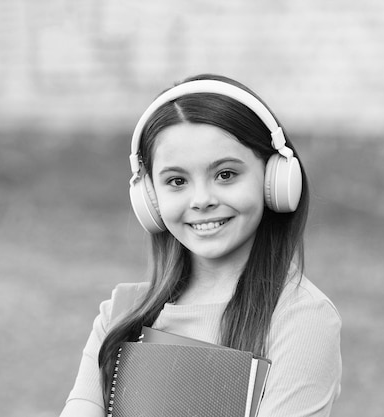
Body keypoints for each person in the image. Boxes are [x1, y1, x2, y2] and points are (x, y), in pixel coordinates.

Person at [60, 74, 342, 417]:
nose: (202, 200)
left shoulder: (301, 317)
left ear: (275, 179)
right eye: (177, 181)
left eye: (225, 174)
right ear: (150, 198)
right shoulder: (119, 315)